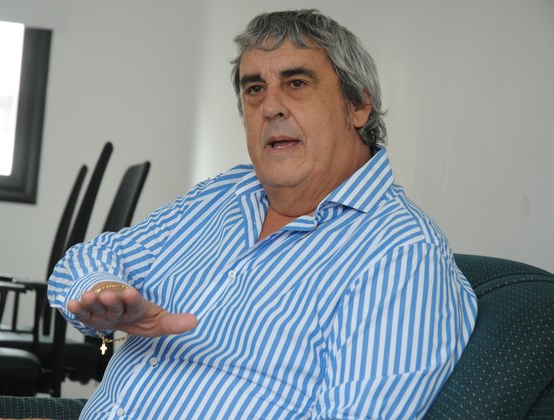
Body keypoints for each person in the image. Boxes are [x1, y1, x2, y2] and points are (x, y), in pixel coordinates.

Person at [48, 9, 477, 419]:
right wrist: (105, 292)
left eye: (296, 83)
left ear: (358, 106)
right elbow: (86, 259)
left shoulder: (403, 256)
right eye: (254, 89)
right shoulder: (223, 193)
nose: (270, 107)